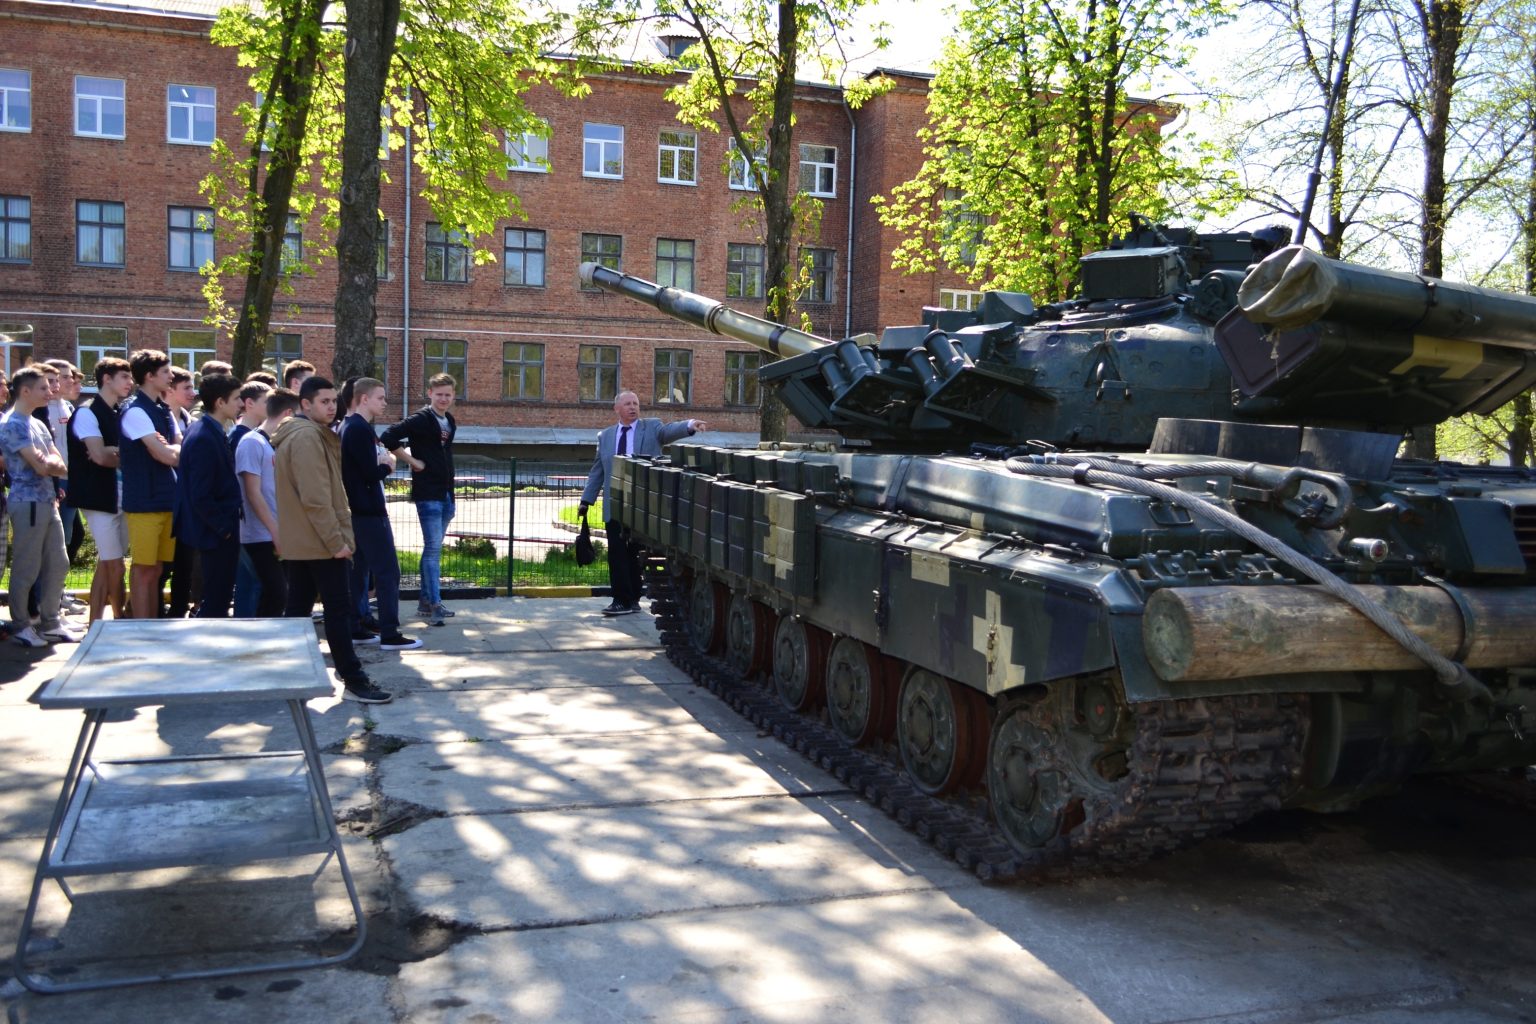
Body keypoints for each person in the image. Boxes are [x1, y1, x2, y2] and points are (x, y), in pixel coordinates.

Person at [272, 376, 391, 704]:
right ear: (304, 404)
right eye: (323, 402)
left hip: (304, 541)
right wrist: (337, 540)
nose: (331, 407)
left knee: (297, 609)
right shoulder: (307, 438)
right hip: (321, 543)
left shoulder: (305, 434)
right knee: (338, 610)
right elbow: (316, 498)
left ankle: (286, 674)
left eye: (332, 400)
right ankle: (353, 679)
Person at [580, 391, 705, 616]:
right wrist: (586, 501)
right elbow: (598, 471)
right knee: (617, 554)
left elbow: (668, 432)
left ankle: (634, 599)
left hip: (642, 505)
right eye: (627, 404)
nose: (633, 407)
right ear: (616, 408)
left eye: (636, 403)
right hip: (615, 504)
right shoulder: (605, 436)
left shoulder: (651, 428)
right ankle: (621, 600)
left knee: (636, 554)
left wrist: (689, 425)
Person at [0, 367, 81, 647]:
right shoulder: (13, 423)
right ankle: (21, 624)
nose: (51, 392)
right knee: (27, 566)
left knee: (58, 562)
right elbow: (40, 465)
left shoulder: (37, 423)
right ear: (25, 391)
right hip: (28, 503)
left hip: (47, 501)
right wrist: (50, 465)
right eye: (44, 388)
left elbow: (56, 461)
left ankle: (50, 622)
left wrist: (51, 465)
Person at [341, 378, 420, 651]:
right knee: (388, 572)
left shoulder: (354, 427)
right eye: (380, 397)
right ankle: (390, 633)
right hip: (368, 512)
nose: (385, 402)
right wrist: (390, 465)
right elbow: (367, 474)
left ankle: (356, 628)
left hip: (360, 511)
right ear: (364, 398)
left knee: (360, 570)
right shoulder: (357, 429)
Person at [380, 373, 458, 627]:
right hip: (428, 494)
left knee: (433, 549)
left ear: (453, 396)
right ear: (430, 394)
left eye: (448, 394)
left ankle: (426, 601)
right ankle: (435, 604)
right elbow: (389, 436)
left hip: (446, 492)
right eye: (439, 394)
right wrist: (412, 461)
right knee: (433, 549)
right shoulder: (421, 418)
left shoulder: (449, 421)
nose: (443, 399)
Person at [68, 356, 133, 623]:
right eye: (124, 378)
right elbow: (100, 456)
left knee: (108, 565)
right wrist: (121, 453)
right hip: (99, 497)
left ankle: (100, 622)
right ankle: (116, 620)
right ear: (106, 379)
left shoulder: (121, 412)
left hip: (121, 496)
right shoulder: (86, 412)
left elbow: (112, 453)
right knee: (114, 565)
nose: (130, 383)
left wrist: (115, 451)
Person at [173, 374, 243, 617]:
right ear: (220, 402)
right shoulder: (203, 436)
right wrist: (223, 528)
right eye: (236, 398)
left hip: (216, 530)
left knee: (219, 596)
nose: (241, 404)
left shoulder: (208, 429)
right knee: (216, 597)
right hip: (214, 533)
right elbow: (200, 493)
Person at [120, 349, 181, 619]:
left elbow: (179, 448)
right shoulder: (135, 412)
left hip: (167, 500)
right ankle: (140, 626)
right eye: (166, 372)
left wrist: (173, 450)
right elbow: (165, 454)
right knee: (144, 569)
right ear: (149, 376)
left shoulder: (163, 409)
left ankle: (152, 623)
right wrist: (171, 450)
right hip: (144, 503)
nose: (171, 376)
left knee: (157, 569)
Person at [236, 386, 296, 617]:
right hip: (260, 534)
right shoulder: (252, 443)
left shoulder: (276, 444)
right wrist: (275, 531)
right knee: (276, 592)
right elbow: (252, 492)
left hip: (278, 531)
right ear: (288, 414)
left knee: (280, 594)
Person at [163, 365, 199, 616]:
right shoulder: (160, 417)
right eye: (186, 387)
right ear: (170, 390)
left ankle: (178, 608)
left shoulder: (189, 419)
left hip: (187, 499)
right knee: (162, 564)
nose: (192, 392)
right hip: (164, 498)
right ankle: (150, 608)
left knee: (186, 560)